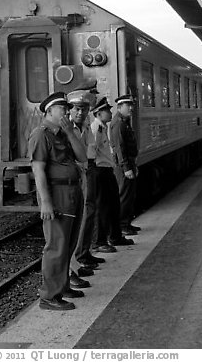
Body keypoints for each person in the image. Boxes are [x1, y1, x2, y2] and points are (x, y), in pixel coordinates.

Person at [28, 92, 88, 310]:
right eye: (62, 107)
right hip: (58, 194)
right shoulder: (41, 134)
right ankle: (49, 296)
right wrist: (45, 202)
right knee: (56, 245)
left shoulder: (64, 133)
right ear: (49, 111)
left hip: (72, 191)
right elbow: (39, 171)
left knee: (69, 243)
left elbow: (82, 157)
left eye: (66, 107)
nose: (67, 111)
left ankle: (62, 286)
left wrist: (71, 132)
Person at [66, 80, 105, 285]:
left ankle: (78, 262)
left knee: (84, 216)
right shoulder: (66, 129)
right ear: (69, 109)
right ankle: (70, 270)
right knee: (72, 223)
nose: (80, 112)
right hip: (73, 178)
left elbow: (88, 152)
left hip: (84, 173)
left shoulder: (84, 127)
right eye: (76, 108)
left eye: (84, 108)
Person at [91, 97, 134, 252]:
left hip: (108, 169)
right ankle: (99, 242)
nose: (110, 112)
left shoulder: (104, 127)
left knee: (113, 204)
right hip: (99, 171)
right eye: (107, 110)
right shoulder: (95, 129)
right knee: (101, 207)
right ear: (99, 113)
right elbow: (92, 154)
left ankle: (115, 236)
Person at [110, 95, 141, 236]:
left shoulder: (124, 122)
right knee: (124, 195)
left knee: (130, 195)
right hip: (123, 166)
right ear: (119, 107)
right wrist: (126, 167)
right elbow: (119, 148)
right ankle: (122, 225)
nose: (131, 108)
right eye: (128, 106)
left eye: (131, 105)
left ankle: (127, 223)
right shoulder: (118, 123)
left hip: (129, 162)